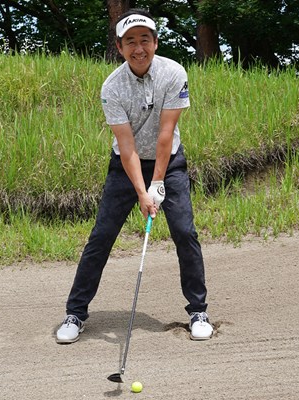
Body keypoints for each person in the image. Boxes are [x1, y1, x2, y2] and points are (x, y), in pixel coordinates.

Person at [56, 9, 213, 344]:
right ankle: (75, 313)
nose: (138, 48)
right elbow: (126, 146)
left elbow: (165, 134)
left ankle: (198, 311)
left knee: (184, 232)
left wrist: (157, 183)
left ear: (155, 42)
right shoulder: (111, 86)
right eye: (130, 41)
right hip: (125, 166)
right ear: (119, 46)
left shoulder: (174, 73)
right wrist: (142, 193)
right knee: (101, 236)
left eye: (144, 39)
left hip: (169, 163)